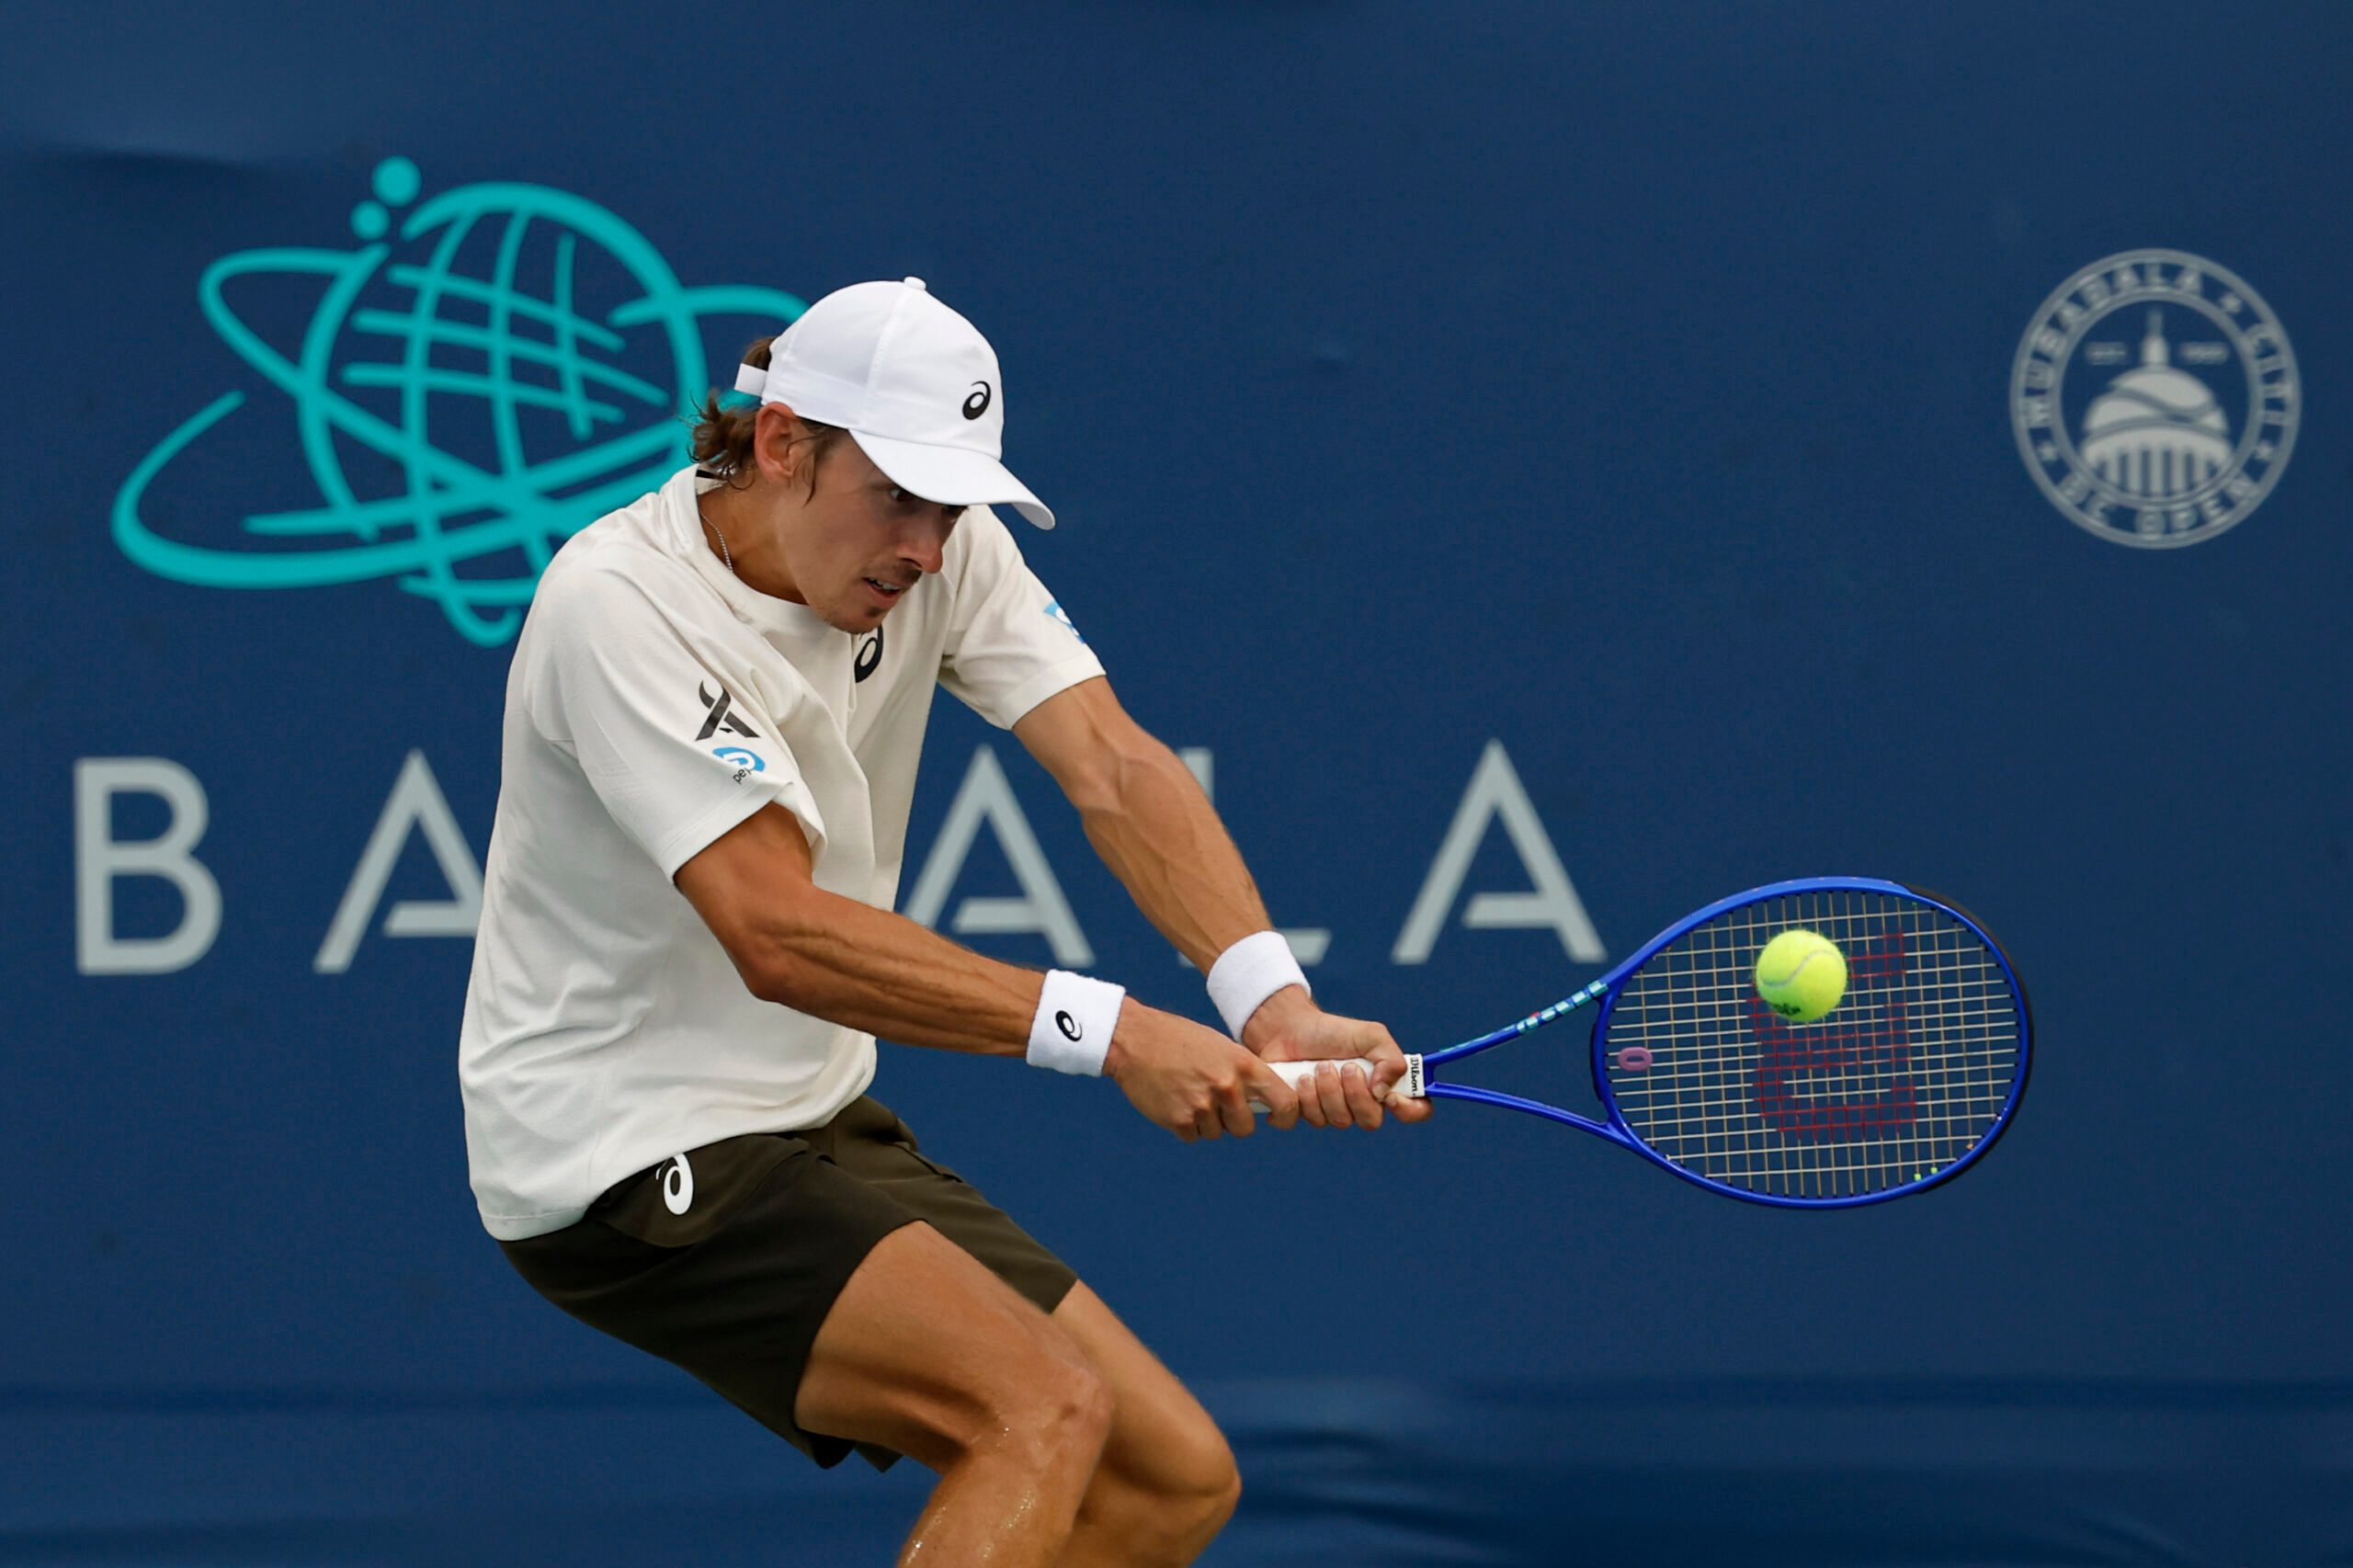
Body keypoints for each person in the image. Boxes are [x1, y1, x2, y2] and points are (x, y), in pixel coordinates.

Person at [458, 276, 1428, 1566]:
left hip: (803, 1114)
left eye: (950, 503)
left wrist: (1273, 1001)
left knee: (1167, 1477)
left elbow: (1113, 764)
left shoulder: (944, 552)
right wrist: (1119, 1032)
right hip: (618, 1149)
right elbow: (778, 934)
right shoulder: (619, 604)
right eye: (898, 497)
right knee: (1037, 1405)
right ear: (781, 441)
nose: (924, 544)